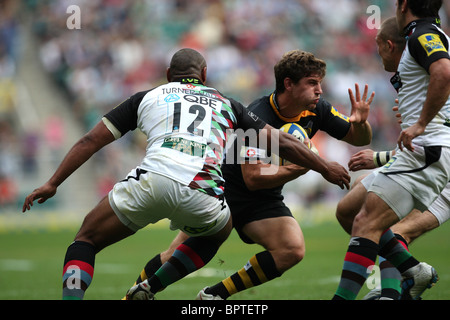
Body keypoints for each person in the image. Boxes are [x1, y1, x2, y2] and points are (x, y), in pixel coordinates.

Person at [22, 48, 350, 300]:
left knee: (86, 240)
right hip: (204, 191)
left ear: (168, 74)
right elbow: (281, 141)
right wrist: (325, 167)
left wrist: (52, 183)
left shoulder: (145, 97)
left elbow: (91, 140)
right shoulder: (228, 103)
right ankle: (152, 286)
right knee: (215, 235)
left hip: (152, 179)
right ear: (205, 74)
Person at [125, 50, 374, 300]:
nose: (319, 90)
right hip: (225, 191)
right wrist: (299, 169)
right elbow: (252, 178)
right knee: (172, 255)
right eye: (312, 83)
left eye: (319, 83)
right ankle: (133, 297)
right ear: (288, 84)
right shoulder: (259, 115)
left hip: (264, 198)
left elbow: (359, 138)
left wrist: (361, 122)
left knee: (291, 249)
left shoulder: (317, 109)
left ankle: (214, 296)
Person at [333, 0, 450, 300]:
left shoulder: (423, 34)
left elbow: (444, 73)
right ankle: (412, 269)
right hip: (421, 151)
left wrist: (421, 122)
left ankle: (384, 293)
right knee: (348, 212)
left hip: (430, 151)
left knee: (368, 223)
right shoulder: (424, 37)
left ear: (403, 5)